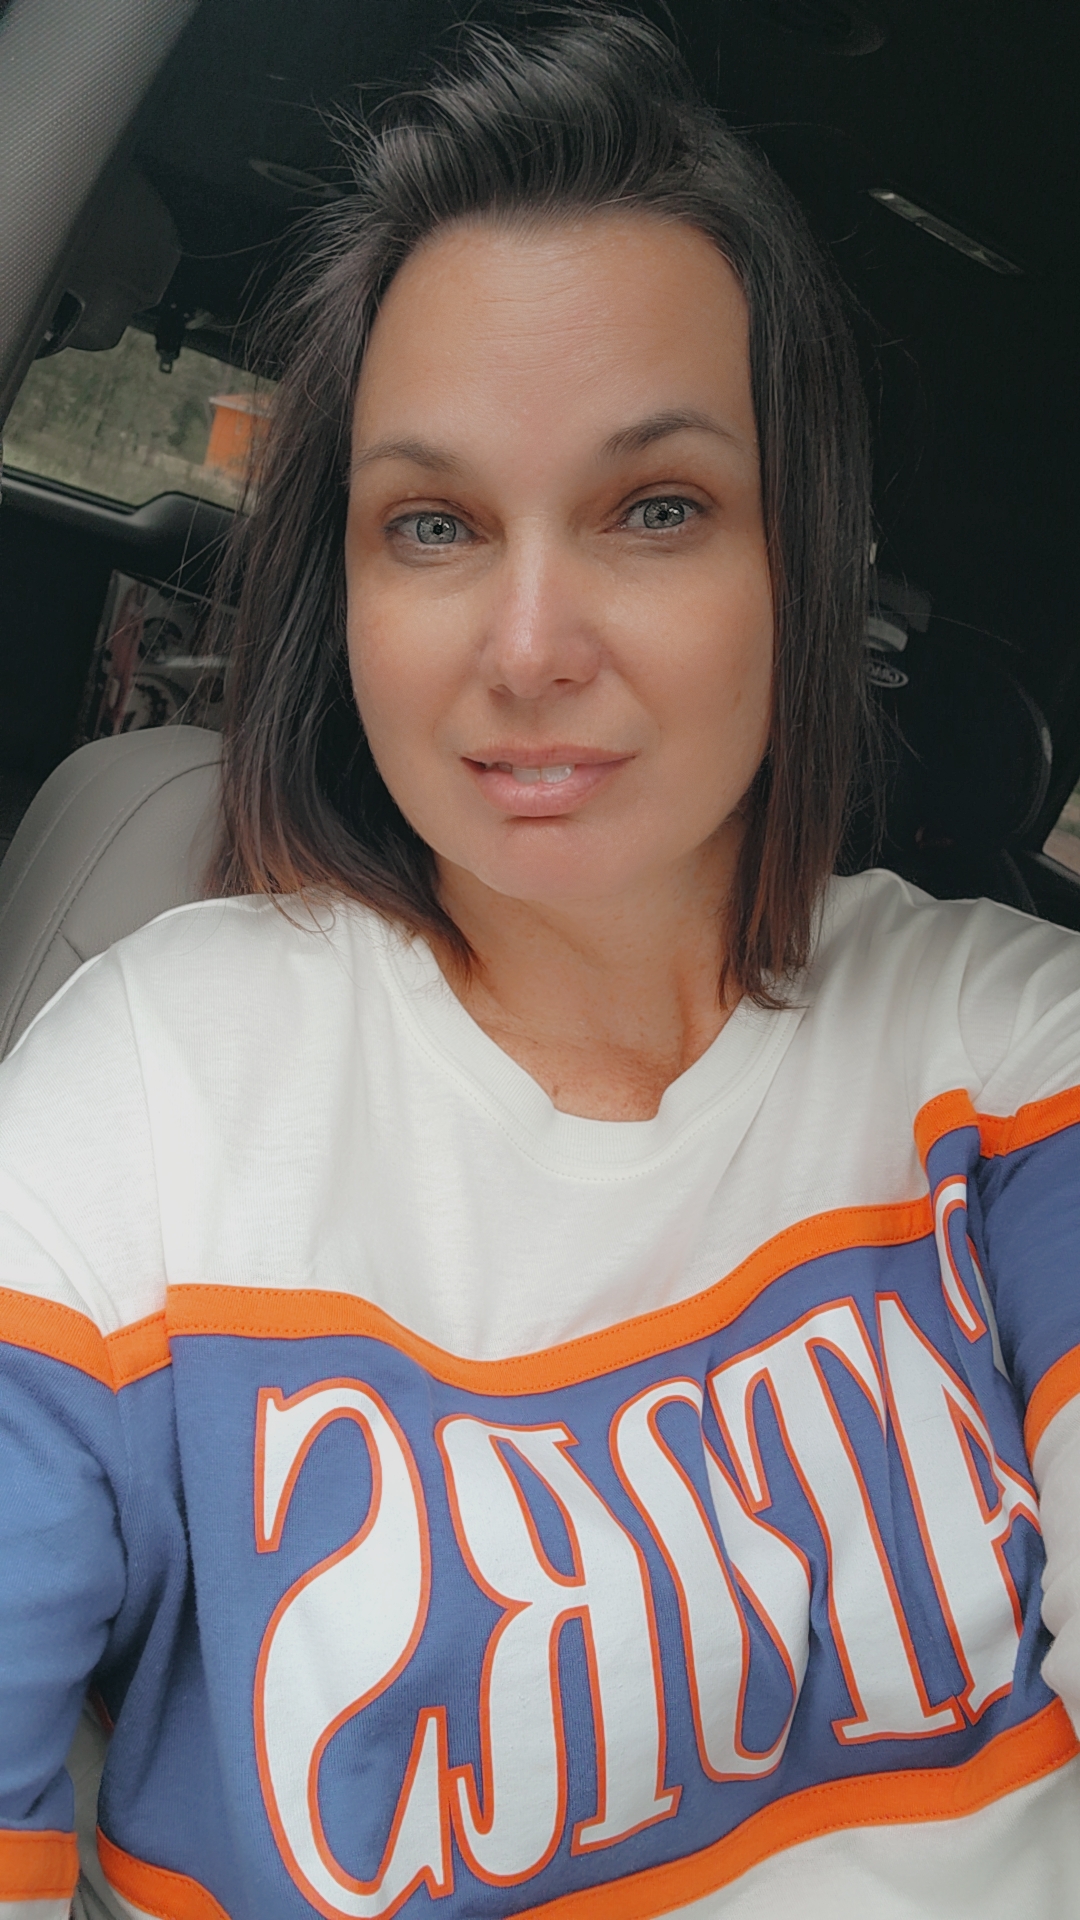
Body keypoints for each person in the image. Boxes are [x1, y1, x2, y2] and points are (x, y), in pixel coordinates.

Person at [1, 9, 1078, 1918]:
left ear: (802, 562)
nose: (526, 645)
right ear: (348, 590)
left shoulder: (1006, 1043)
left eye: (655, 510)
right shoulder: (144, 1104)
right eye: (432, 524)